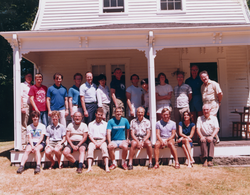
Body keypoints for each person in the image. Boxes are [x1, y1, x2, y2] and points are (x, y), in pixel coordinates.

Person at [200, 70, 223, 143]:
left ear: (208, 76)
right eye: (202, 77)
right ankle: (214, 137)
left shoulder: (214, 84)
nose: (204, 78)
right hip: (205, 104)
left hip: (212, 103)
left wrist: (219, 102)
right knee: (207, 121)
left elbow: (220, 94)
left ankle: (215, 138)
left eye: (205, 77)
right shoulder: (202, 86)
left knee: (212, 120)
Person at [87, 108, 110, 173]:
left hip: (102, 141)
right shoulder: (91, 124)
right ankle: (89, 167)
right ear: (95, 114)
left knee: (104, 149)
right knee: (90, 149)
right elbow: (90, 135)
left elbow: (106, 136)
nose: (99, 116)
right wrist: (94, 142)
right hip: (93, 141)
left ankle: (106, 167)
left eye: (101, 115)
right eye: (98, 114)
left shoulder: (105, 124)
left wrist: (101, 142)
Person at [21, 73, 33, 146]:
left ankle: (29, 142)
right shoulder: (22, 85)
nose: (29, 78)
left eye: (30, 76)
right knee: (24, 124)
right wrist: (22, 107)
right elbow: (20, 96)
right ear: (25, 77)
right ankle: (23, 143)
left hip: (31, 106)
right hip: (25, 105)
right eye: (28, 76)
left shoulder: (32, 86)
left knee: (30, 125)